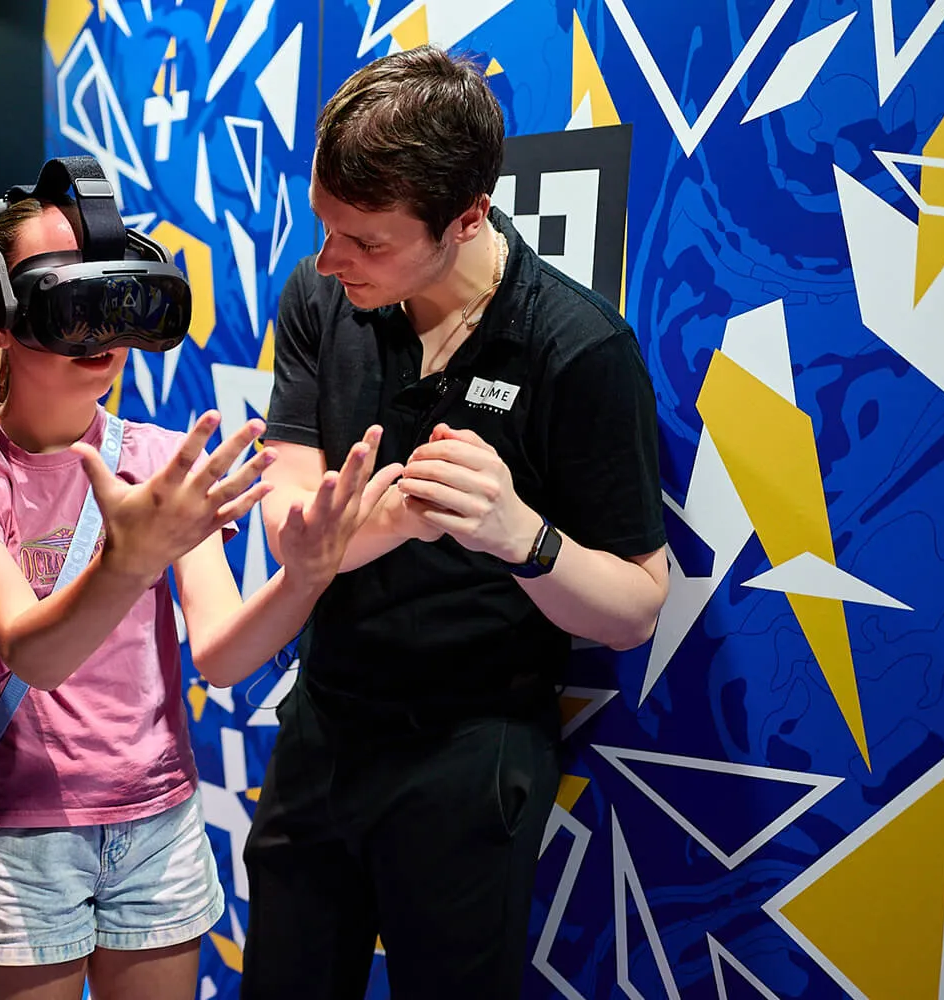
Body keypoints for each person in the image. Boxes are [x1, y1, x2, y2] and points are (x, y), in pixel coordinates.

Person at [242, 45, 671, 999]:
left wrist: (523, 536)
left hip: (473, 752)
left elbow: (637, 607)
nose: (331, 260)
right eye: (326, 226)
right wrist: (389, 520)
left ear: (468, 217)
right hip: (325, 722)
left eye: (368, 242)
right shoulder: (321, 296)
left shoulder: (578, 346)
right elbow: (292, 536)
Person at [0, 189, 389, 1000]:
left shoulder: (161, 460)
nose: (100, 327)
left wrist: (305, 577)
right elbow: (32, 649)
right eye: (65, 296)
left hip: (156, 824)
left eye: (112, 289)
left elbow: (224, 655)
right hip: (21, 835)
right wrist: (125, 562)